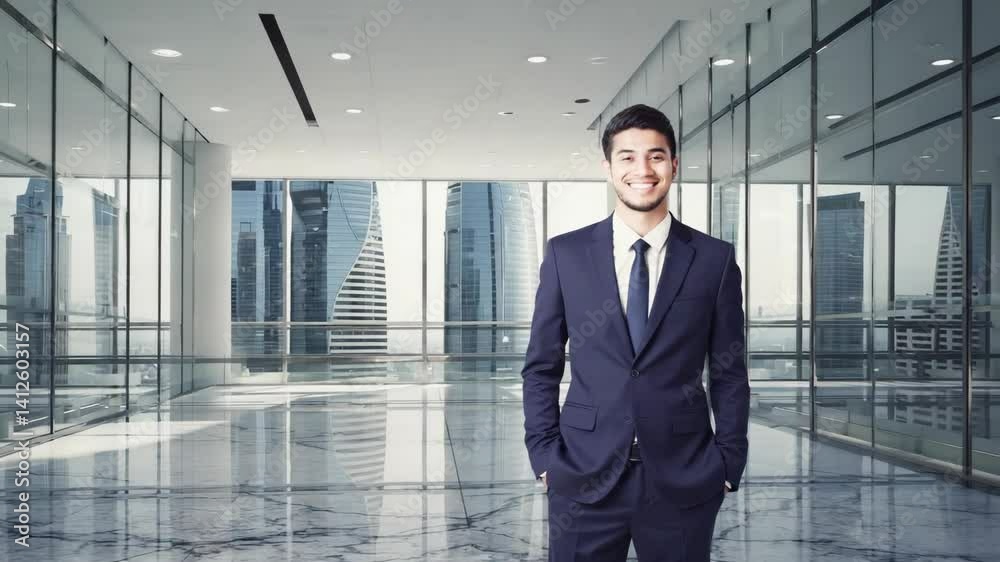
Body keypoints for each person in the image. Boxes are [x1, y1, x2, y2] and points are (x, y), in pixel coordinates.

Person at [522, 103, 750, 561]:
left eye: (656, 156)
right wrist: (545, 457)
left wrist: (727, 462)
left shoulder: (714, 260)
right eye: (627, 157)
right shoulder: (566, 254)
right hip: (582, 473)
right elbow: (541, 366)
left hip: (684, 475)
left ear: (674, 165)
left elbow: (728, 373)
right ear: (608, 167)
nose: (642, 169)